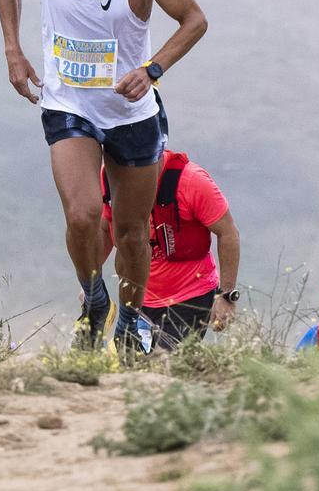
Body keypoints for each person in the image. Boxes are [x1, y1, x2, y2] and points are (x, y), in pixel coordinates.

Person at [0, 0, 208, 352]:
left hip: (132, 114)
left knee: (133, 232)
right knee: (82, 216)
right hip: (68, 104)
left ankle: (131, 319)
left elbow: (195, 20)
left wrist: (152, 70)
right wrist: (13, 51)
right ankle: (94, 298)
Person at [98, 149, 240, 352]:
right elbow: (106, 227)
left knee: (163, 361)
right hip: (138, 298)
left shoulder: (191, 181)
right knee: (128, 364)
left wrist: (226, 296)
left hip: (190, 296)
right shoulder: (113, 177)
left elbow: (228, 233)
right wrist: (91, 284)